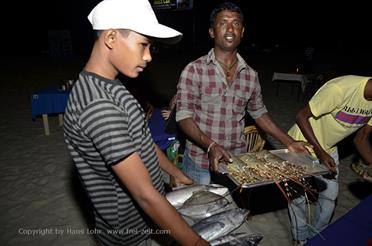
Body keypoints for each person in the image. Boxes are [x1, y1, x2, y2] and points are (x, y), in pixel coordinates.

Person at [63, 0, 209, 245]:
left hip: (146, 223)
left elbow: (142, 142)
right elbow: (144, 195)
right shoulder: (98, 105)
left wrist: (175, 172)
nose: (148, 56)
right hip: (129, 235)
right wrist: (195, 243)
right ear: (111, 37)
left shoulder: (112, 83)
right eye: (143, 45)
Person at [175, 1, 309, 185]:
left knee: (232, 211)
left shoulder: (250, 75)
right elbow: (183, 117)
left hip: (235, 161)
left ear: (242, 32)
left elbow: (259, 113)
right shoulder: (194, 70)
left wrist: (289, 141)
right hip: (201, 163)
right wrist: (211, 145)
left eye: (236, 23)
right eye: (223, 23)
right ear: (212, 32)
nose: (230, 29)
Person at [287, 75, 372, 245]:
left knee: (330, 196)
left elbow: (361, 139)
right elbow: (301, 116)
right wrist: (319, 152)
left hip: (329, 149)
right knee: (298, 197)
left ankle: (317, 236)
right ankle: (300, 237)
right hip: (300, 145)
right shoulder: (340, 89)